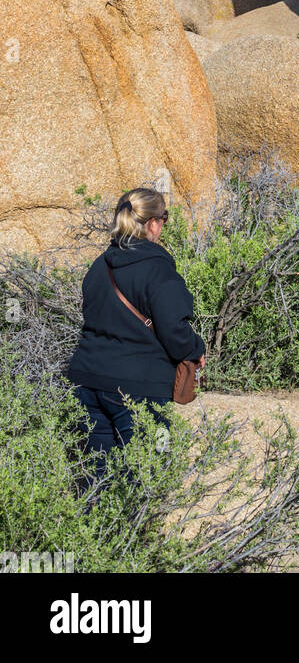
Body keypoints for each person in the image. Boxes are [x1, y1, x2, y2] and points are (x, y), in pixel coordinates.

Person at [67, 188, 206, 483]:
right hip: (139, 388)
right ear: (154, 223)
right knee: (145, 473)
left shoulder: (99, 265)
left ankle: (95, 528)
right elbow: (174, 331)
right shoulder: (158, 269)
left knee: (95, 479)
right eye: (164, 218)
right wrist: (196, 348)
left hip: (87, 381)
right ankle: (139, 529)